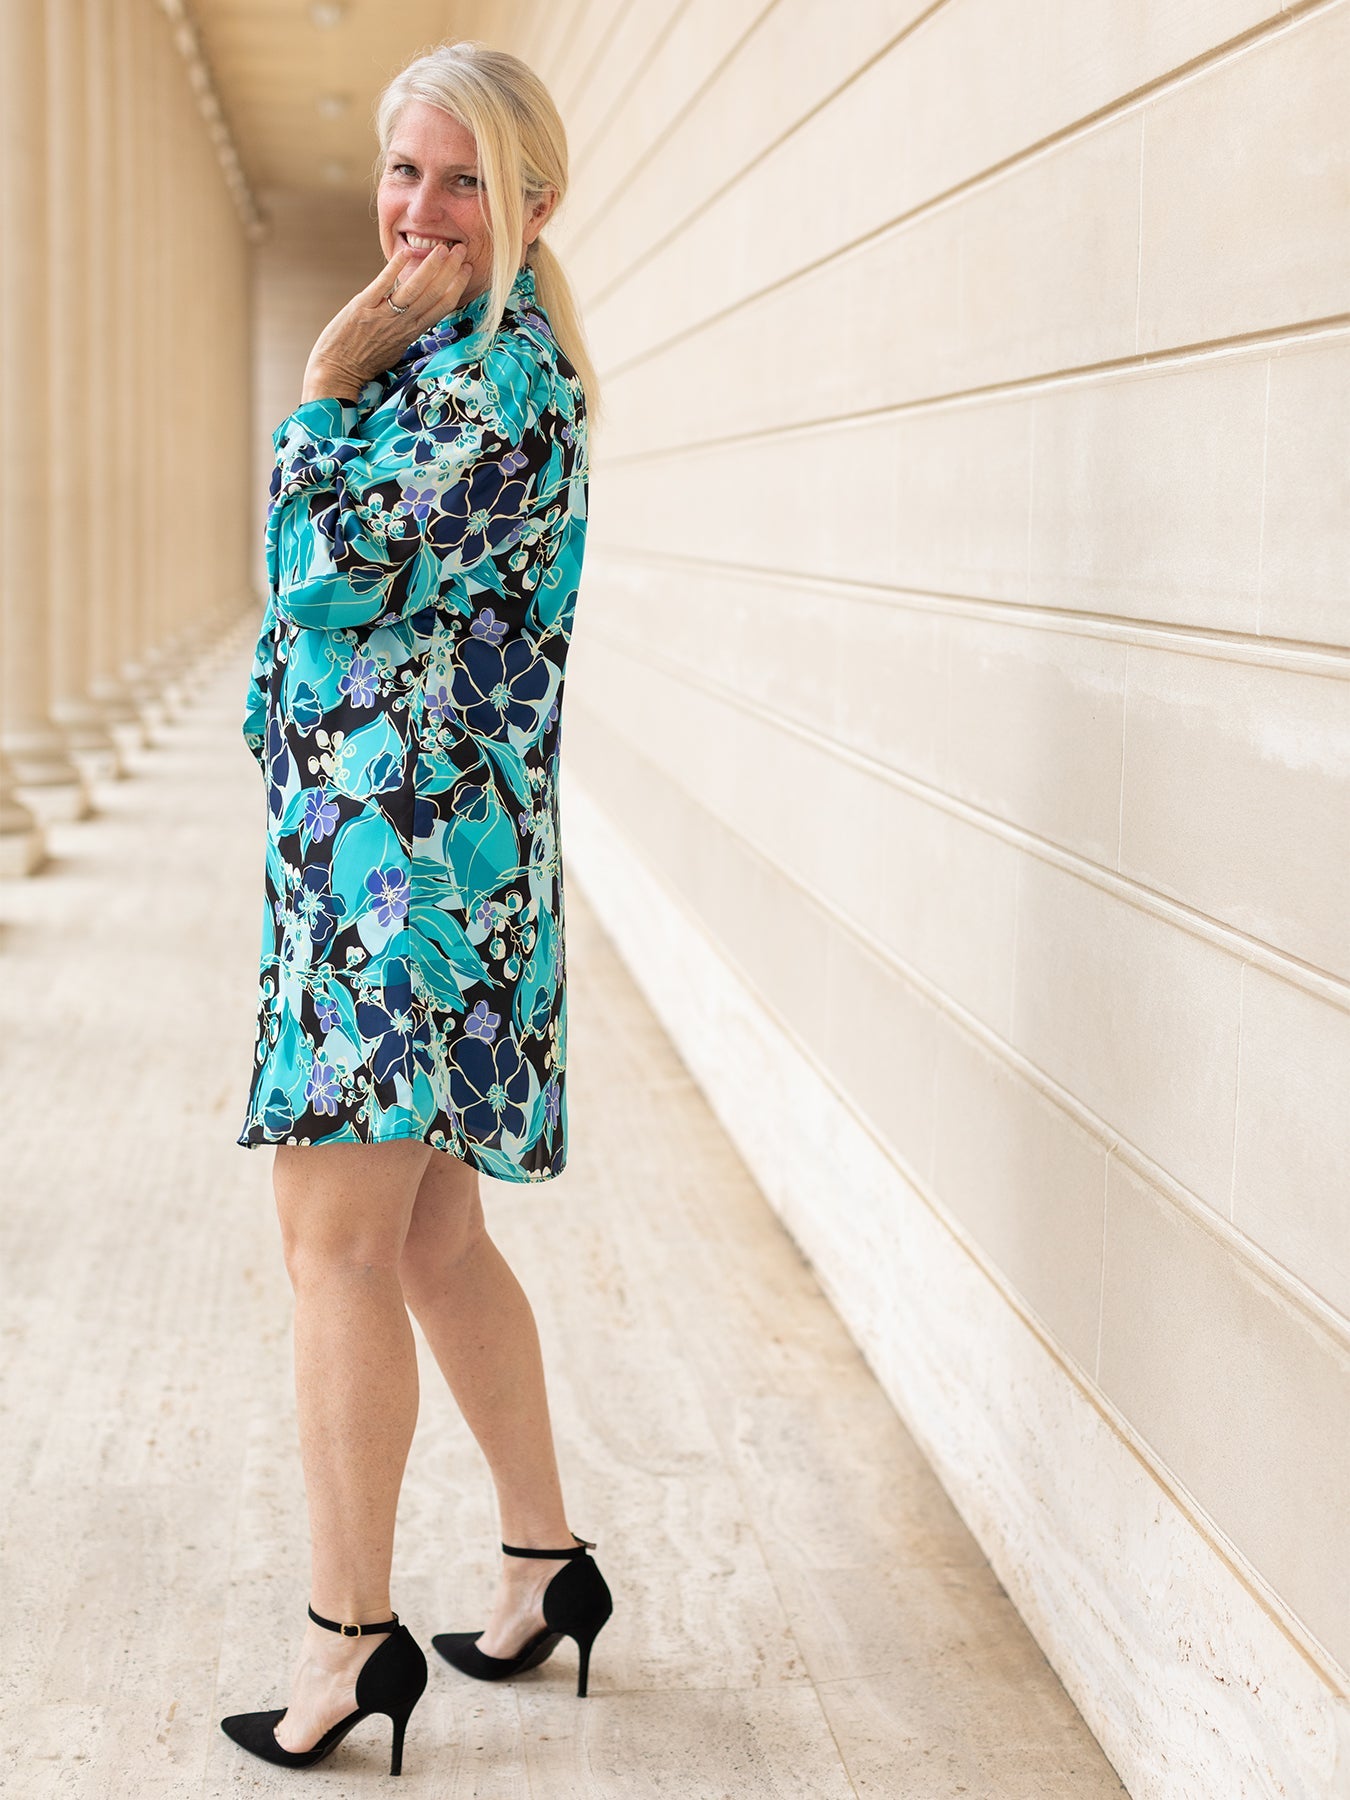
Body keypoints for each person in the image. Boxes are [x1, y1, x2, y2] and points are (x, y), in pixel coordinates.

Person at [219, 41, 611, 1776]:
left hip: (408, 879)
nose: (422, 210)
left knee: (337, 1249)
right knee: (431, 1241)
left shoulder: (490, 381)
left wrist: (316, 383)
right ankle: (542, 1565)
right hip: (393, 859)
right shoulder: (441, 364)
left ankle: (347, 1644)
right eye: (405, 171)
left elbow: (317, 575)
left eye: (464, 180)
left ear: (534, 202)